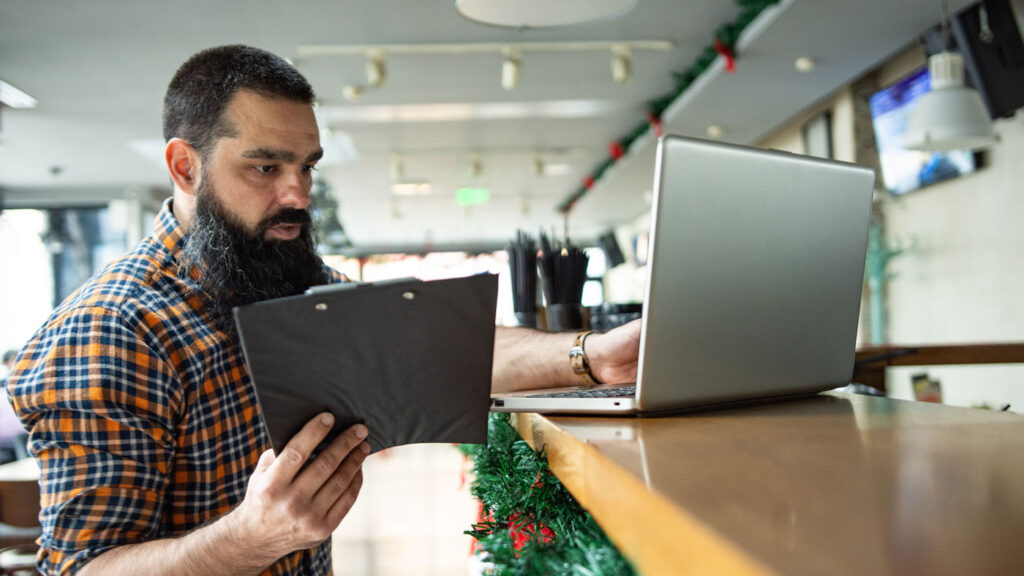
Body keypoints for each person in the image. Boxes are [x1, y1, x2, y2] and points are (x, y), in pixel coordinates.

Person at [5, 45, 641, 576]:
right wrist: (250, 538)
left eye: (306, 167)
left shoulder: (285, 277)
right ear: (184, 166)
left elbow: (444, 346)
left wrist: (590, 356)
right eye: (265, 166)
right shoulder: (109, 330)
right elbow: (83, 568)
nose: (297, 195)